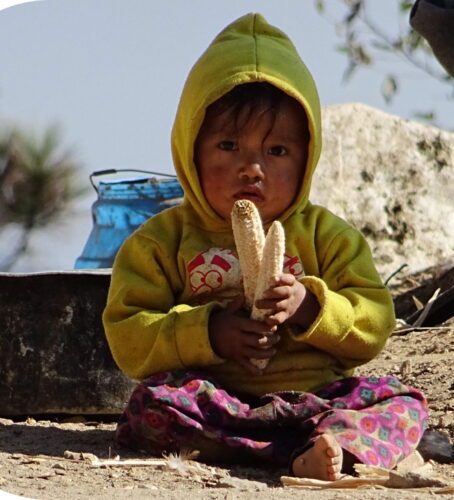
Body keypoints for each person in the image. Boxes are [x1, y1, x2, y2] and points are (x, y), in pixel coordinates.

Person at [103, 12, 428, 481]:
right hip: (218, 400)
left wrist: (310, 306)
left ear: (307, 157)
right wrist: (208, 332)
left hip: (317, 400)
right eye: (229, 145)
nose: (252, 168)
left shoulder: (327, 236)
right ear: (190, 150)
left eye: (276, 151)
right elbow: (129, 335)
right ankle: (296, 454)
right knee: (151, 404)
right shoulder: (160, 242)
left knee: (401, 402)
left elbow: (373, 323)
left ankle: (323, 449)